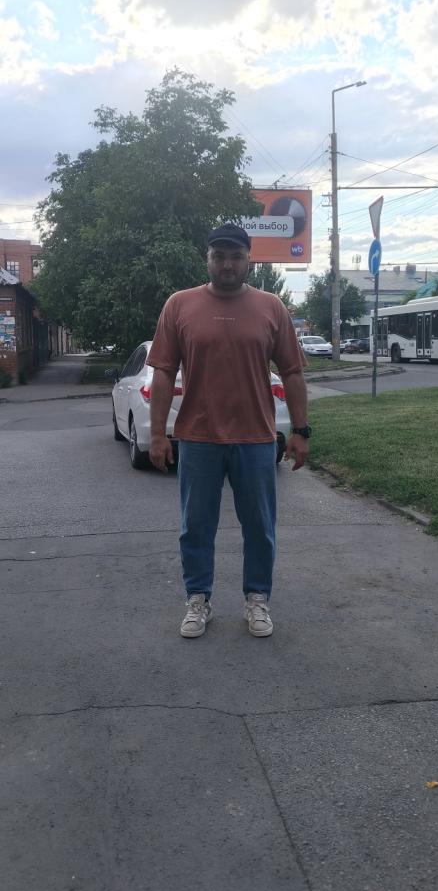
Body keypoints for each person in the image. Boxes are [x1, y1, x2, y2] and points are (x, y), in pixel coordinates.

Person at [147, 223, 311, 639]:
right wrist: (158, 434)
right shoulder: (180, 305)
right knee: (196, 527)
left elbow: (293, 372)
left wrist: (301, 431)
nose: (227, 264)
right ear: (207, 259)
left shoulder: (271, 307)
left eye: (235, 256)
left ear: (248, 260)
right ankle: (197, 599)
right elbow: (163, 372)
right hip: (197, 437)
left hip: (255, 438)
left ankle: (257, 598)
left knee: (260, 527)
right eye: (218, 256)